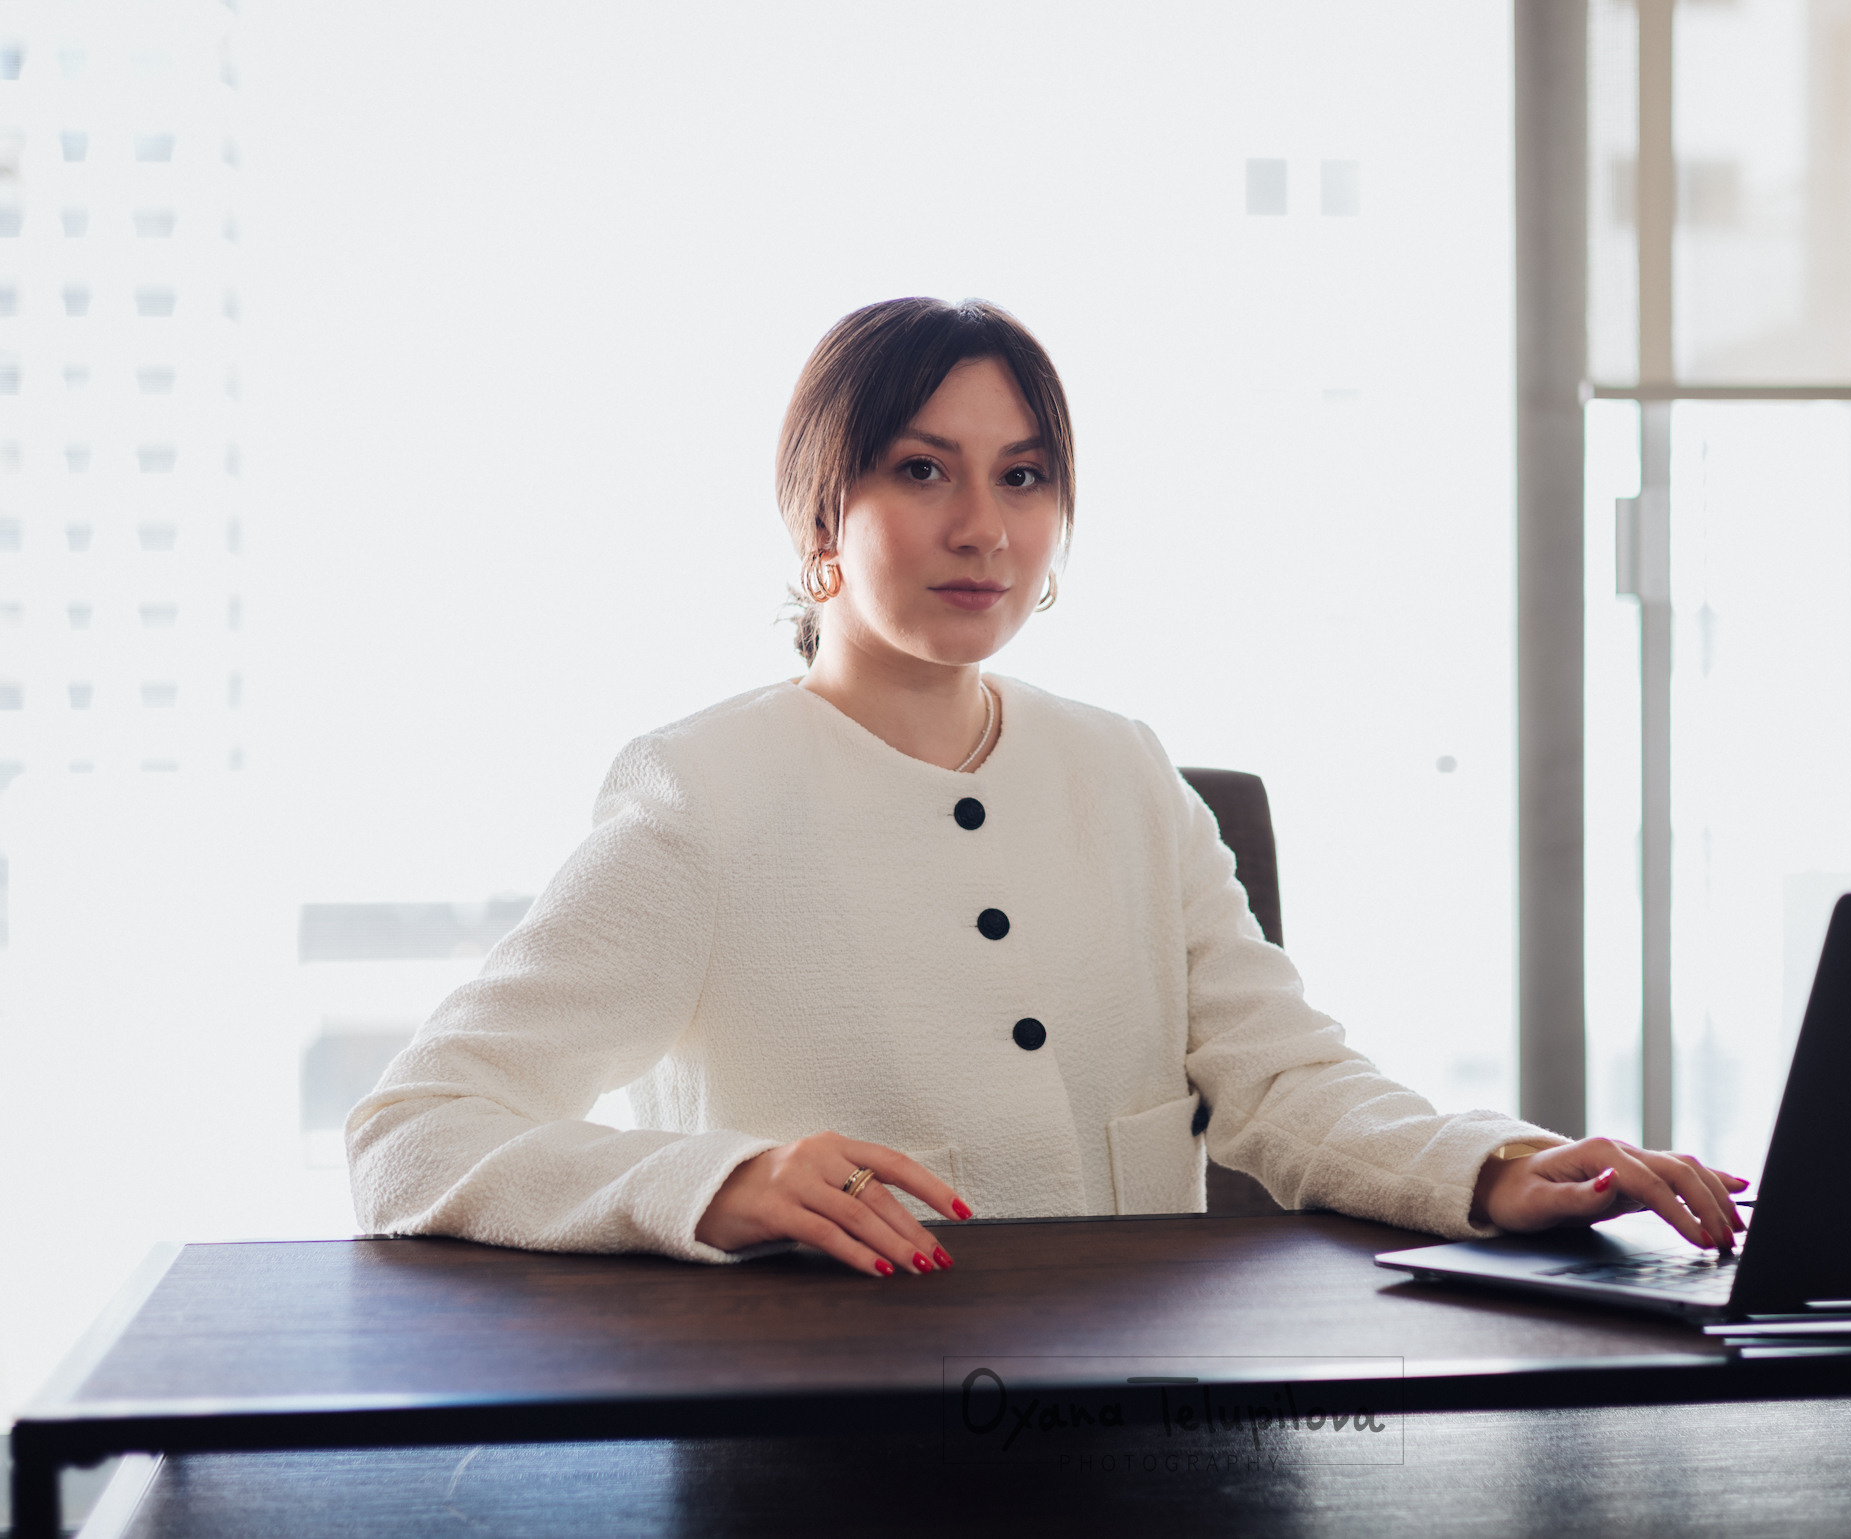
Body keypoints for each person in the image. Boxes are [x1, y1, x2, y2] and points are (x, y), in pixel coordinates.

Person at [348, 297, 1745, 1279]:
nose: (984, 528)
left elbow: (1286, 1083)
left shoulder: (1123, 769)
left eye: (1024, 476)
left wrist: (1497, 1172)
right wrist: (715, 1187)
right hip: (823, 1440)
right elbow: (414, 1139)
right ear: (821, 517)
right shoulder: (700, 798)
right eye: (921, 471)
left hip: (1151, 1430)